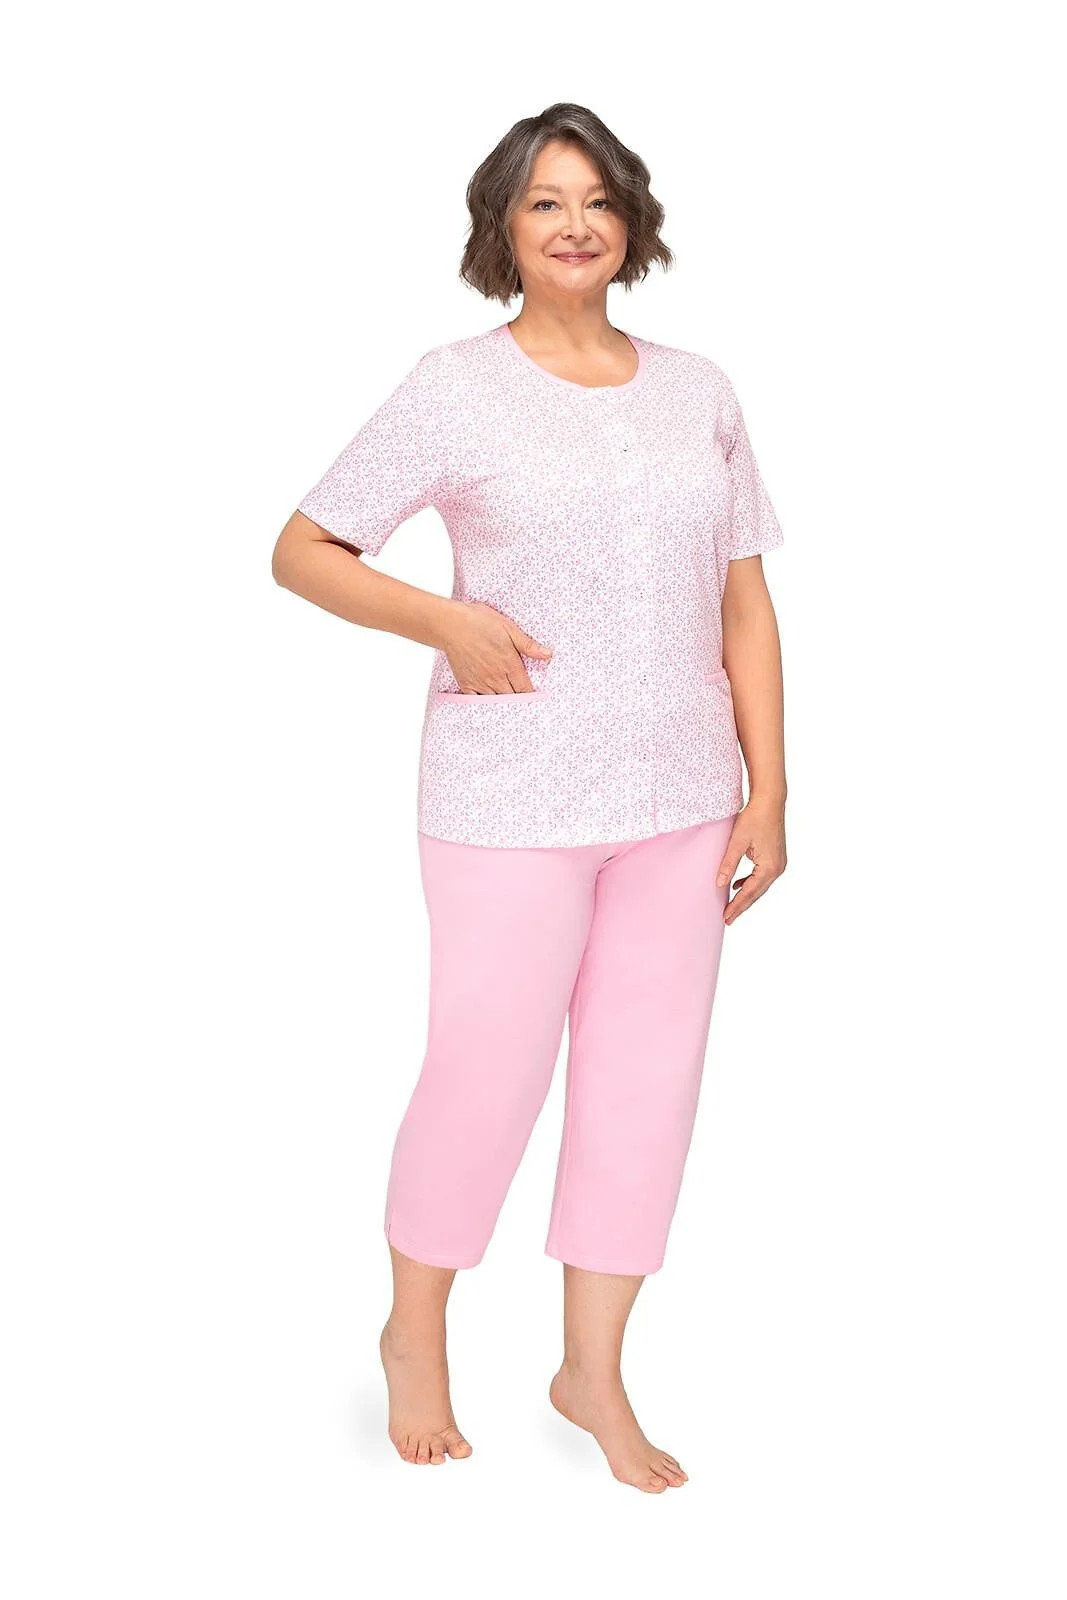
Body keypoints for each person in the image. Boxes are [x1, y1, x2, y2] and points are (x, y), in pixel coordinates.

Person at [271, 101, 787, 1494]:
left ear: (633, 221)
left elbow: (743, 597)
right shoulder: (452, 386)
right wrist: (444, 622)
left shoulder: (700, 389)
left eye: (598, 200)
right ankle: (416, 1332)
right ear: (503, 225)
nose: (575, 224)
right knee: (485, 1072)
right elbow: (304, 549)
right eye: (545, 201)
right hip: (507, 797)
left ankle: (591, 1372)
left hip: (682, 794)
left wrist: (771, 789)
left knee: (644, 1086)